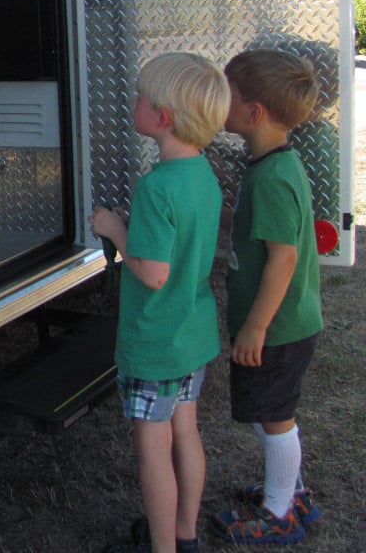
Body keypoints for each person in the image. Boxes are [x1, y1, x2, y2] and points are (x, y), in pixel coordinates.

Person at [90, 52, 230, 553]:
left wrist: (114, 228)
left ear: (162, 118)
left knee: (154, 450)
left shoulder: (154, 188)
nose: (133, 102)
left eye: (140, 98)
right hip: (192, 337)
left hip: (155, 343)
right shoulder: (202, 175)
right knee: (186, 434)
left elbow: (151, 271)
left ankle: (161, 547)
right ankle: (186, 534)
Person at [211, 49, 324, 545]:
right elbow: (257, 236)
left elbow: (283, 259)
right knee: (264, 408)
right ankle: (287, 487)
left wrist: (256, 326)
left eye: (226, 95)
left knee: (276, 417)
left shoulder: (275, 177)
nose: (218, 102)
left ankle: (281, 510)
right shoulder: (269, 163)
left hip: (277, 328)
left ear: (253, 113)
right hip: (274, 324)